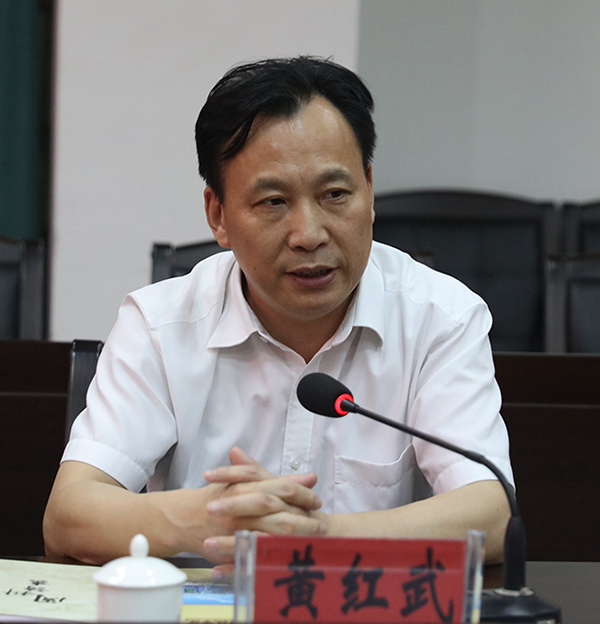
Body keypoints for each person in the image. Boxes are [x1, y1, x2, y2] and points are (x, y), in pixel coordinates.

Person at [43, 56, 512, 571]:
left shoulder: (442, 318)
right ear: (218, 215)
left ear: (369, 190)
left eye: (335, 195)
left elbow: (491, 515)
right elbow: (68, 517)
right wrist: (210, 517)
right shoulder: (160, 325)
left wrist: (316, 536)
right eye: (273, 202)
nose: (309, 234)